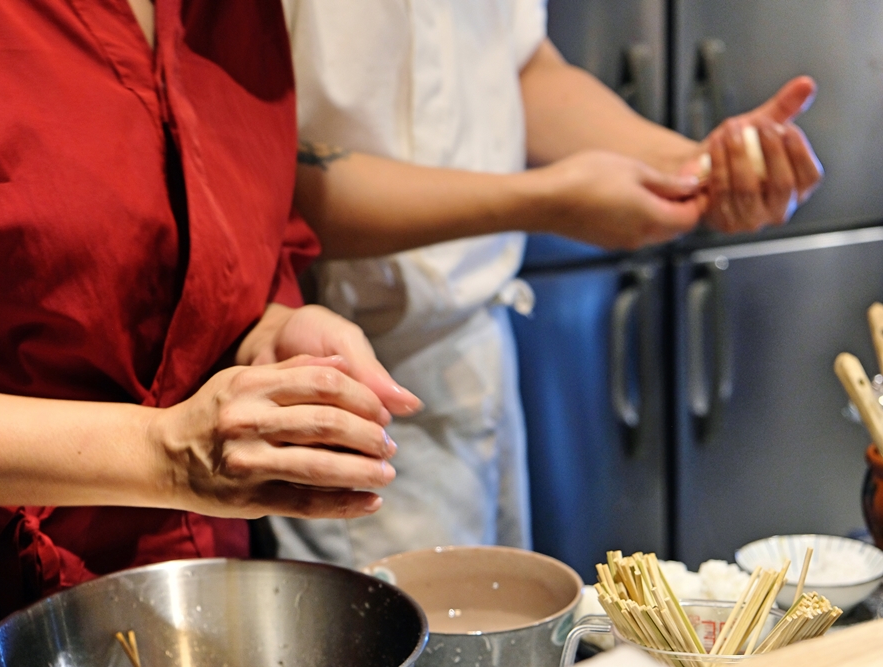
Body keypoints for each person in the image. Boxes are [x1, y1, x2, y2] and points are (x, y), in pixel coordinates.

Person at [0, 1, 420, 661]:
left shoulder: (235, 18)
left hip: (204, 590)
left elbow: (240, 244)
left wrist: (271, 330)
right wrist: (162, 453)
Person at [270, 0, 822, 568]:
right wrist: (544, 201)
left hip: (476, 356)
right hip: (338, 378)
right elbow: (270, 178)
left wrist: (694, 165)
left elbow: (522, 67)